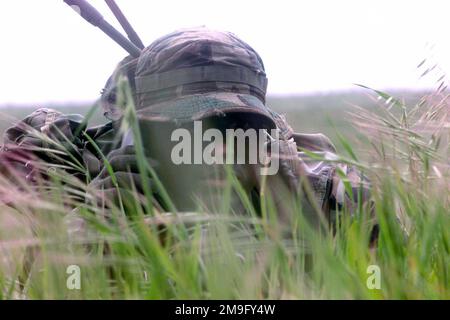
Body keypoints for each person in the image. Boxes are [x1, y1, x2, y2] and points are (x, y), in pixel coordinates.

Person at [0, 27, 375, 239]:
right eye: (182, 128)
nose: (208, 145)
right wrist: (103, 219)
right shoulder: (106, 176)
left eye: (234, 125)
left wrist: (304, 220)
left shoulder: (329, 191)